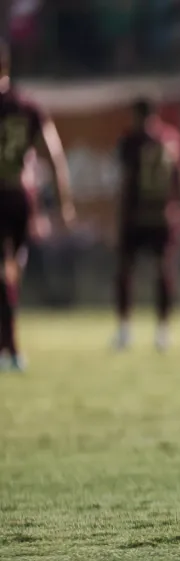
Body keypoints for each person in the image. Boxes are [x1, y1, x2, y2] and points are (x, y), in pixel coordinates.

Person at [0, 39, 74, 372]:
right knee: (12, 271)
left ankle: (10, 349)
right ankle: (10, 348)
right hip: (21, 196)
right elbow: (55, 158)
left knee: (5, 273)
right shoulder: (29, 107)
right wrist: (64, 203)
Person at [112, 98, 180, 352]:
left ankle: (125, 330)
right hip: (165, 215)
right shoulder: (172, 137)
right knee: (164, 271)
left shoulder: (131, 140)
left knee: (126, 271)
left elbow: (125, 180)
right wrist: (176, 206)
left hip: (136, 215)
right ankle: (163, 331)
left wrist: (119, 216)